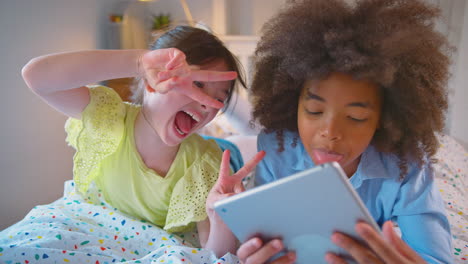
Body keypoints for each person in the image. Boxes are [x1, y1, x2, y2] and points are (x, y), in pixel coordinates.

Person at [235, 0, 453, 263]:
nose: (330, 132)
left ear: (385, 120)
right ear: (293, 105)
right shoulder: (276, 151)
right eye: (314, 111)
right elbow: (266, 238)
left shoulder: (407, 165)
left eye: (355, 117)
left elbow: (434, 256)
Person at [21, 25, 263, 257]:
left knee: (245, 143)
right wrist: (138, 61)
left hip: (228, 152)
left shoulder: (206, 165)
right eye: (197, 84)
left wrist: (219, 216)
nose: (206, 103)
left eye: (219, 98)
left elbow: (216, 254)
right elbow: (35, 76)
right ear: (152, 80)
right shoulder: (111, 119)